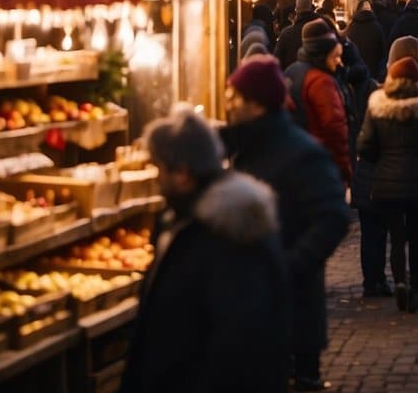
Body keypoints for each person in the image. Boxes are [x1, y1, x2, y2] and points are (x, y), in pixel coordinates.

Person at [123, 107, 291, 393]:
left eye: (159, 169)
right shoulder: (184, 222)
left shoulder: (226, 236)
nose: (156, 180)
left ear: (183, 174)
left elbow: (236, 347)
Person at [223, 56, 352, 392]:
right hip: (254, 303)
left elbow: (334, 217)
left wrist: (290, 264)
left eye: (234, 97)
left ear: (256, 103)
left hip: (292, 302)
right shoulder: (241, 149)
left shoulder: (300, 153)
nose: (227, 104)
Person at [357, 57, 418, 313]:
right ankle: (414, 285)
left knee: (396, 236)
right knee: (415, 237)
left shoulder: (378, 106)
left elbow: (365, 146)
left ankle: (400, 281)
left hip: (386, 181)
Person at [285, 19, 353, 184]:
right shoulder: (321, 81)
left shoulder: (292, 71)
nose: (339, 62)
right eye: (335, 56)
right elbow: (334, 127)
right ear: (323, 55)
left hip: (295, 158)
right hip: (321, 162)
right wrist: (344, 169)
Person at [346, 0, 388, 81]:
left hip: (356, 71)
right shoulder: (377, 27)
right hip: (373, 71)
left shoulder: (351, 26)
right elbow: (383, 51)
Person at [275, 0, 320, 67]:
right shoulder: (321, 29)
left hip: (291, 75)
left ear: (296, 9)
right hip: (317, 75)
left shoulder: (286, 33)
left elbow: (277, 59)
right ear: (311, 8)